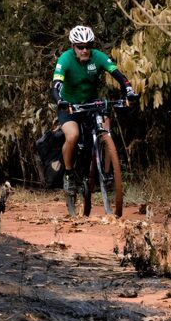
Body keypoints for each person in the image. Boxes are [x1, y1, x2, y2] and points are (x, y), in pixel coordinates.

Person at [51, 25, 138, 201]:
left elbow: (118, 75)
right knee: (73, 136)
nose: (84, 50)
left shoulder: (98, 57)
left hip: (91, 103)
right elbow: (56, 85)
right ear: (73, 47)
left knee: (107, 129)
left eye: (88, 46)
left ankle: (106, 176)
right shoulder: (65, 59)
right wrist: (60, 101)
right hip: (69, 106)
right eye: (80, 46)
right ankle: (68, 175)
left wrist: (128, 91)